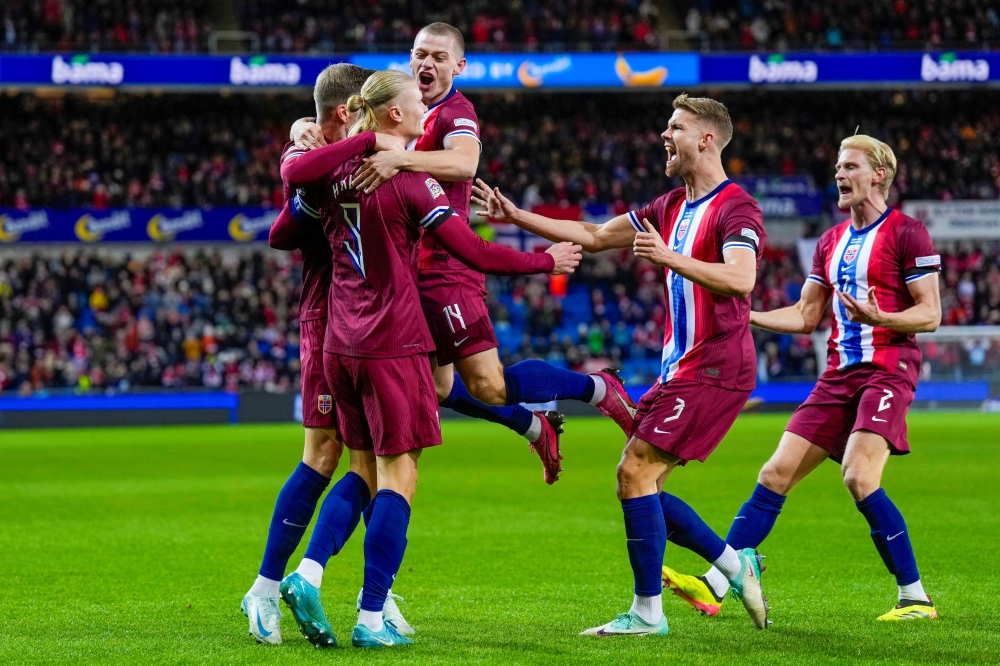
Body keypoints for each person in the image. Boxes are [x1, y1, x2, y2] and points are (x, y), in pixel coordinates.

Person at [473, 93, 772, 636]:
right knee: (645, 482)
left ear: (706, 138)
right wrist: (517, 216)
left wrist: (669, 257)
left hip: (717, 364)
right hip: (680, 367)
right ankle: (735, 564)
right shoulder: (667, 206)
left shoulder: (736, 207)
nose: (665, 134)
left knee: (633, 472)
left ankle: (647, 613)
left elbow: (742, 280)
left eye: (675, 126)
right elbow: (591, 235)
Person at [310, 69, 581, 648]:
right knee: (398, 479)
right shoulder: (411, 181)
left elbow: (288, 225)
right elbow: (473, 250)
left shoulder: (330, 169)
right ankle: (371, 618)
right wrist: (545, 262)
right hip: (394, 341)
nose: (423, 116)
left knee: (359, 470)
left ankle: (308, 573)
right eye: (415, 107)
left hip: (341, 341)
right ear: (394, 116)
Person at [661, 135, 942, 622]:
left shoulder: (908, 233)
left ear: (878, 174)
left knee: (857, 475)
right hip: (837, 375)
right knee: (773, 474)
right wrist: (746, 314)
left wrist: (884, 318)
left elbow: (931, 313)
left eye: (850, 165)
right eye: (837, 165)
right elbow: (805, 315)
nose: (839, 173)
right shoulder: (830, 242)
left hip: (887, 370)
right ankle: (714, 586)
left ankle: (915, 598)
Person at [349, 22, 639, 484]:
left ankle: (599, 388)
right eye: (421, 54)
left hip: (447, 269)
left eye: (440, 57)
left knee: (489, 384)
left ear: (459, 67)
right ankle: (532, 425)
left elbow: (465, 163)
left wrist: (400, 159)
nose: (427, 63)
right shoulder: (400, 108)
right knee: (441, 388)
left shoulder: (455, 112)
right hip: (405, 272)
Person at [241, 63, 404, 646]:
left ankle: (376, 598)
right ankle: (264, 590)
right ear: (346, 112)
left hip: (369, 326)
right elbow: (281, 233)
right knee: (328, 454)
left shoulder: (345, 158)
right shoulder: (314, 156)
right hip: (329, 320)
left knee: (371, 458)